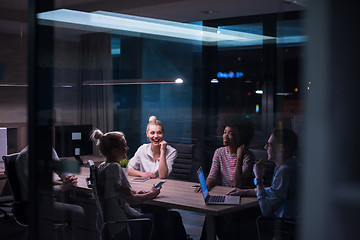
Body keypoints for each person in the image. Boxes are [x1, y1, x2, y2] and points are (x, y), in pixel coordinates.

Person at [90, 129, 188, 240]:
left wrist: (137, 192)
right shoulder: (115, 167)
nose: (127, 148)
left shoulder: (103, 166)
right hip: (122, 222)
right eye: (124, 146)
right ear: (114, 151)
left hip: (112, 221)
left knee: (164, 216)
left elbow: (120, 192)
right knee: (173, 217)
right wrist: (151, 194)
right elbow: (131, 199)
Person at [227, 128, 300, 239]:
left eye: (270, 145)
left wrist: (259, 178)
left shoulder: (285, 171)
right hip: (292, 224)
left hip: (285, 227)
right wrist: (246, 192)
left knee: (232, 220)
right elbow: (274, 190)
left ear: (281, 149)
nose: (266, 147)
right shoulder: (292, 163)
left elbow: (266, 210)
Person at [16, 145, 85, 240]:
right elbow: (33, 191)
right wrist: (61, 188)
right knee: (78, 211)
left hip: (47, 199)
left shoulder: (48, 150)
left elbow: (61, 168)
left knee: (79, 203)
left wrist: (69, 178)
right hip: (32, 204)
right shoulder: (25, 157)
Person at [198, 115, 255, 192]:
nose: (225, 136)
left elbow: (237, 184)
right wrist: (206, 185)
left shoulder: (248, 156)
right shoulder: (219, 152)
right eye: (225, 132)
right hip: (226, 193)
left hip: (242, 196)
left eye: (230, 134)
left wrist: (239, 158)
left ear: (239, 136)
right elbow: (212, 175)